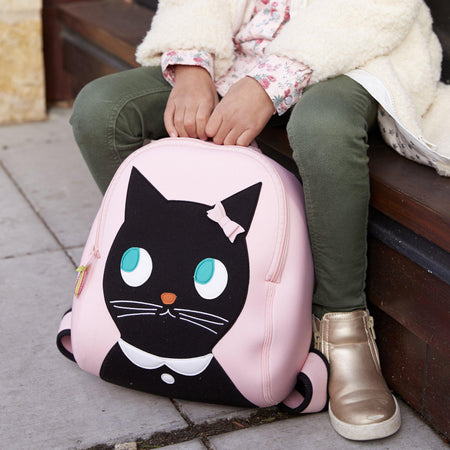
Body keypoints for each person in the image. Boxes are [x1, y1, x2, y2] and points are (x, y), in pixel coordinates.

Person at [70, 0, 443, 441]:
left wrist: (267, 84)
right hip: (244, 44)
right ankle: (156, 280)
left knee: (322, 126)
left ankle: (342, 331)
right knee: (101, 110)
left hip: (355, 49)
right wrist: (192, 65)